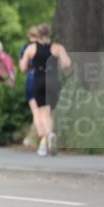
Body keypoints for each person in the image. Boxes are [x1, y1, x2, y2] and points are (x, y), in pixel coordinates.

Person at [19, 23, 72, 156]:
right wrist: (58, 62)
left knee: (42, 112)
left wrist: (31, 64)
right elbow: (67, 64)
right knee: (49, 112)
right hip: (53, 79)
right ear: (50, 34)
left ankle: (47, 137)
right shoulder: (57, 48)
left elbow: (23, 68)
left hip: (39, 78)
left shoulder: (31, 48)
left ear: (38, 34)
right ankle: (49, 138)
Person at [19, 26, 40, 147]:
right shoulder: (47, 47)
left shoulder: (26, 48)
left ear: (29, 35)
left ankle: (38, 138)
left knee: (36, 112)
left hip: (32, 78)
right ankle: (32, 137)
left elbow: (23, 67)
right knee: (44, 112)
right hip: (46, 79)